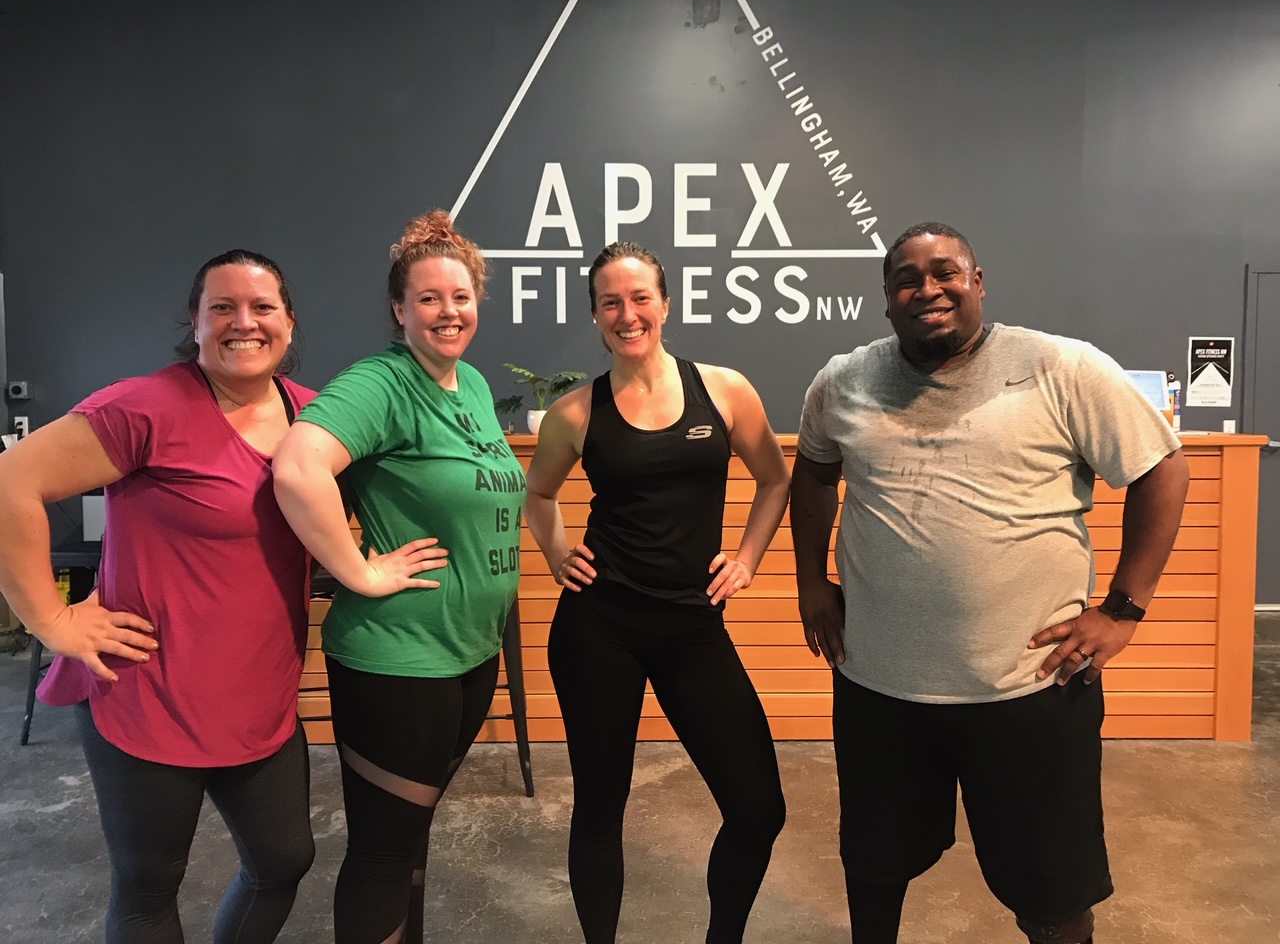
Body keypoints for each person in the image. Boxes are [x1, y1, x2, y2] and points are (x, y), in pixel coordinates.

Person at [791, 221, 1191, 944]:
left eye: (946, 272)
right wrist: (809, 581)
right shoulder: (844, 379)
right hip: (880, 686)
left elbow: (1163, 469)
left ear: (978, 282)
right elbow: (814, 472)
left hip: (1028, 689)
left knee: (1051, 891)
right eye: (906, 279)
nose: (927, 288)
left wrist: (1124, 610)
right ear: (887, 302)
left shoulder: (1061, 368)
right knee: (874, 868)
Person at [0, 250, 318, 944]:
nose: (244, 323)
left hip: (259, 700)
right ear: (195, 324)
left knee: (285, 860)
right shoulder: (147, 406)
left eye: (262, 307)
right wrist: (49, 620)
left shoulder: (313, 418)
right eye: (222, 308)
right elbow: (10, 482)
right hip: (146, 696)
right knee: (149, 890)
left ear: (289, 325)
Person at [524, 241, 791, 944]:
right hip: (598, 627)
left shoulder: (725, 391)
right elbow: (540, 493)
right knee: (600, 806)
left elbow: (774, 477)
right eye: (610, 301)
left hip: (693, 629)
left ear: (665, 304)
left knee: (758, 809)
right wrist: (556, 553)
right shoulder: (576, 413)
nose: (627, 312)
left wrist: (748, 559)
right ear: (595, 315)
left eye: (640, 297)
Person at [272, 210, 525, 944]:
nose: (449, 312)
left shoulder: (470, 383)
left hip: (467, 657)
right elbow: (297, 466)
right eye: (429, 298)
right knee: (384, 855)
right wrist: (357, 570)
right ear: (399, 308)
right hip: (398, 661)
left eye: (461, 296)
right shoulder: (381, 381)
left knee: (409, 846)